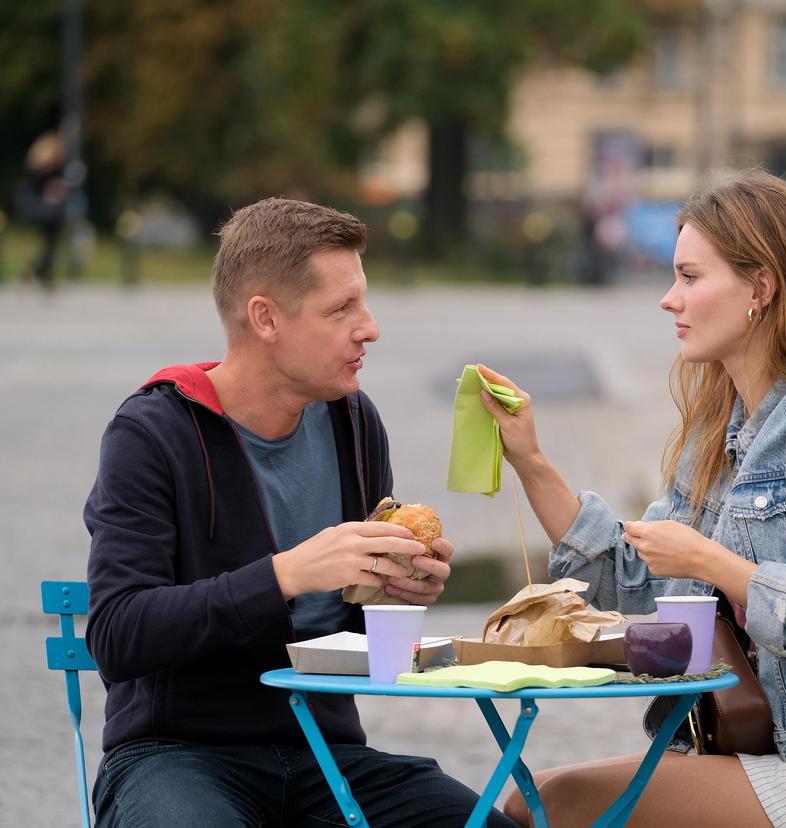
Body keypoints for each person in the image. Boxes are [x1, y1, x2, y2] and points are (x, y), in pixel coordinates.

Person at [480, 171, 786, 827]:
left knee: (544, 804)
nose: (668, 298)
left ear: (760, 288)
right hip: (767, 750)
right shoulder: (721, 427)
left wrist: (711, 562)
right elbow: (628, 578)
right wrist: (531, 460)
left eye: (689, 277)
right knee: (533, 800)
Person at [84, 198, 517, 827]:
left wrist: (394, 594)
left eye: (362, 302)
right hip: (175, 756)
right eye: (341, 309)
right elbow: (119, 635)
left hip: (328, 756)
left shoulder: (354, 421)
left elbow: (359, 643)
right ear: (265, 318)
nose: (369, 327)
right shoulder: (153, 433)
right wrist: (286, 574)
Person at [14, 132, 67, 289]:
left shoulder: (54, 168)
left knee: (52, 241)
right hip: (37, 206)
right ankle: (40, 274)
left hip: (48, 209)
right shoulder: (38, 168)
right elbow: (35, 189)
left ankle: (39, 273)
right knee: (51, 240)